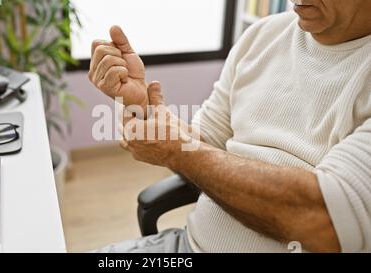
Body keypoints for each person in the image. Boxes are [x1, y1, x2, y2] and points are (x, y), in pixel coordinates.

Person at [88, 0, 371, 253]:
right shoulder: (263, 36)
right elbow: (202, 144)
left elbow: (324, 219)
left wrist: (178, 151)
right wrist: (143, 109)